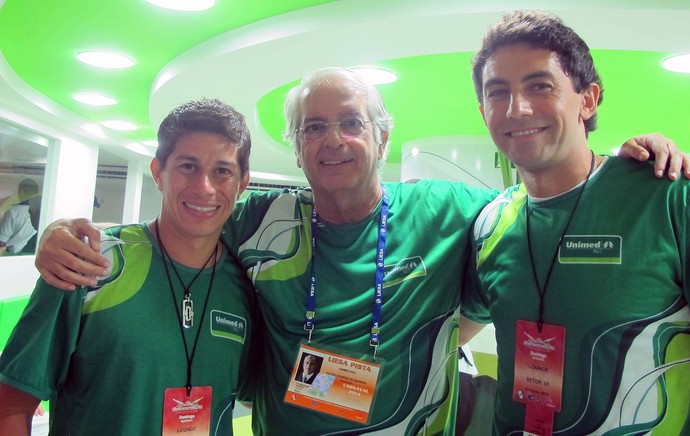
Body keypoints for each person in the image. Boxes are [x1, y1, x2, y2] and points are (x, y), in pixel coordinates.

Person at [31, 68, 687, 435]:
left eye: (351, 122)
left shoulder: (452, 210)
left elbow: (543, 210)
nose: (334, 140)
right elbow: (181, 222)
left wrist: (620, 168)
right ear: (296, 147)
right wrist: (63, 234)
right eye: (314, 127)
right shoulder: (260, 218)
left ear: (382, 136)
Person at [461, 10, 690, 435]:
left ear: (588, 99)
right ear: (483, 111)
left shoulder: (666, 196)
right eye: (498, 92)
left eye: (539, 85)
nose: (517, 108)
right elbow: (452, 330)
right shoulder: (490, 224)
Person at [0, 99, 255, 435]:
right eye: (188, 166)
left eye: (222, 171)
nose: (204, 187)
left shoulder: (248, 285)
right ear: (159, 173)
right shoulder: (87, 262)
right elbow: (12, 404)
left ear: (242, 184)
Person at [0, 178, 40, 255]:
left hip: (13, 256)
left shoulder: (13, 212)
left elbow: (1, 242)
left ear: (21, 191)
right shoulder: (42, 213)